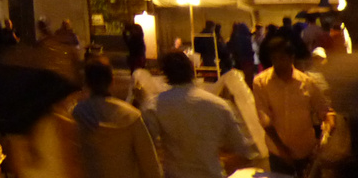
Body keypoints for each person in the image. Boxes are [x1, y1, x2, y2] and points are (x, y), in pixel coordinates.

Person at [152, 50, 261, 178]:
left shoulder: (155, 105)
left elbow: (147, 146)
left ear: (165, 74)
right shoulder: (220, 105)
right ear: (192, 70)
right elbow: (242, 147)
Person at [251, 36, 332, 175]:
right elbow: (265, 120)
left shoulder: (307, 82)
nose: (278, 63)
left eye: (282, 58)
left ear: (291, 57)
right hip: (278, 153)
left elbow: (324, 110)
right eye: (274, 58)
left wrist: (327, 129)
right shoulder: (261, 83)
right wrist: (282, 150)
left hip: (306, 150)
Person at [72, 56, 160, 178]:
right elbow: (150, 164)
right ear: (112, 81)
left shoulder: (76, 114)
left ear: (86, 83)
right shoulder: (131, 116)